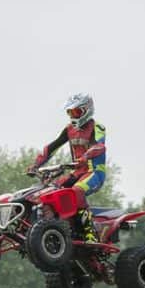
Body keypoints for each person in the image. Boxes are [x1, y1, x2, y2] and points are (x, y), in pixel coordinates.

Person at [27, 93, 106, 243]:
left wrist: (86, 156)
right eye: (70, 112)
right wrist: (35, 165)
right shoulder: (69, 129)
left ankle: (90, 234)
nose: (73, 116)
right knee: (49, 192)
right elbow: (51, 148)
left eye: (76, 112)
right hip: (76, 172)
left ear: (87, 110)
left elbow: (99, 146)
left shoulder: (98, 127)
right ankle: (54, 227)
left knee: (77, 190)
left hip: (94, 172)